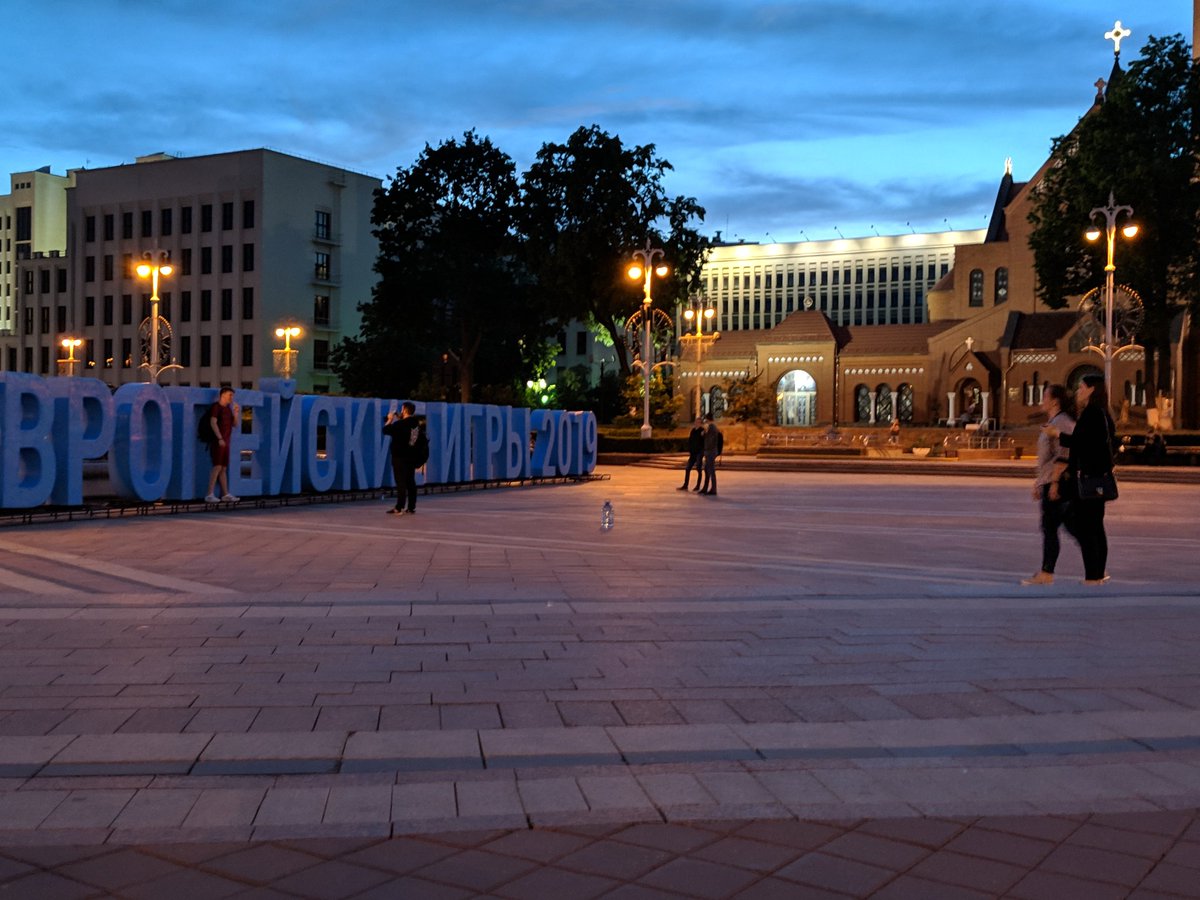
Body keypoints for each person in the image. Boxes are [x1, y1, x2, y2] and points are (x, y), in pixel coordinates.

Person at [1050, 374, 1117, 584]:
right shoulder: (1103, 413)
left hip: (1090, 479)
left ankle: (1093, 575)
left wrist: (1056, 434)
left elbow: (1081, 443)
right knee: (1096, 527)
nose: (1078, 391)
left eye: (1081, 387)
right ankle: (1097, 573)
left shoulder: (1093, 413)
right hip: (1097, 478)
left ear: (1091, 390)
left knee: (1088, 528)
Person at [1021, 384, 1075, 585]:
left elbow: (1065, 453)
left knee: (1051, 527)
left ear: (1055, 401)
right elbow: (1047, 458)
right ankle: (1094, 563)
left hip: (1057, 483)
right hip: (1049, 481)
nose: (1041, 401)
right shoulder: (1054, 421)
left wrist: (1054, 483)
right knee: (1068, 526)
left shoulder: (1062, 422)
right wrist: (1039, 481)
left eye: (1044, 397)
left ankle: (1047, 573)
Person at [383, 401, 422, 515]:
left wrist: (390, 419)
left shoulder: (399, 424)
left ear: (405, 410)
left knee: (401, 482)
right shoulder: (415, 424)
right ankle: (411, 507)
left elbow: (385, 430)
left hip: (399, 457)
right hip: (411, 456)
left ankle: (399, 507)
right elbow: (414, 440)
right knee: (410, 481)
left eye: (402, 408)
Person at [204, 387, 240, 503]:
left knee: (223, 468)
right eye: (230, 395)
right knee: (217, 466)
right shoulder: (216, 407)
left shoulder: (228, 409)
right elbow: (213, 422)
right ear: (223, 395)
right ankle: (209, 494)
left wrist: (236, 413)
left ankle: (225, 494)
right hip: (218, 441)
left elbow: (235, 424)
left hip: (226, 442)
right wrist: (219, 437)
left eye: (232, 395)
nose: (232, 398)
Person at [678, 416, 705, 491]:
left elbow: (704, 442)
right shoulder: (693, 431)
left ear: (700, 423)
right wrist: (690, 449)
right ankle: (685, 485)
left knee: (699, 469)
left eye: (698, 422)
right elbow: (690, 440)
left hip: (699, 453)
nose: (696, 423)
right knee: (687, 468)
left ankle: (698, 486)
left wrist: (702, 452)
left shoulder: (702, 431)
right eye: (696, 422)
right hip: (693, 453)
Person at [698, 413, 722, 496]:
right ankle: (706, 487)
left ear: (707, 419)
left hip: (710, 451)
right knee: (707, 469)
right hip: (710, 451)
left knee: (710, 470)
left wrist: (704, 433)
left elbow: (710, 440)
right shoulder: (712, 427)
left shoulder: (711, 427)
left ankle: (713, 489)